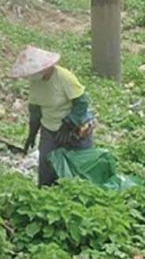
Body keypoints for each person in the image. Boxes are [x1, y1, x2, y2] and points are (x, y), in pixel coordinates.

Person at [12, 46, 95, 188]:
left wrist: (69, 123)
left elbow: (81, 102)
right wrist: (32, 134)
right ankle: (46, 193)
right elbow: (35, 111)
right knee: (47, 165)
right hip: (50, 128)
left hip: (75, 128)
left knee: (80, 165)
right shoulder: (36, 84)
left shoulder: (64, 77)